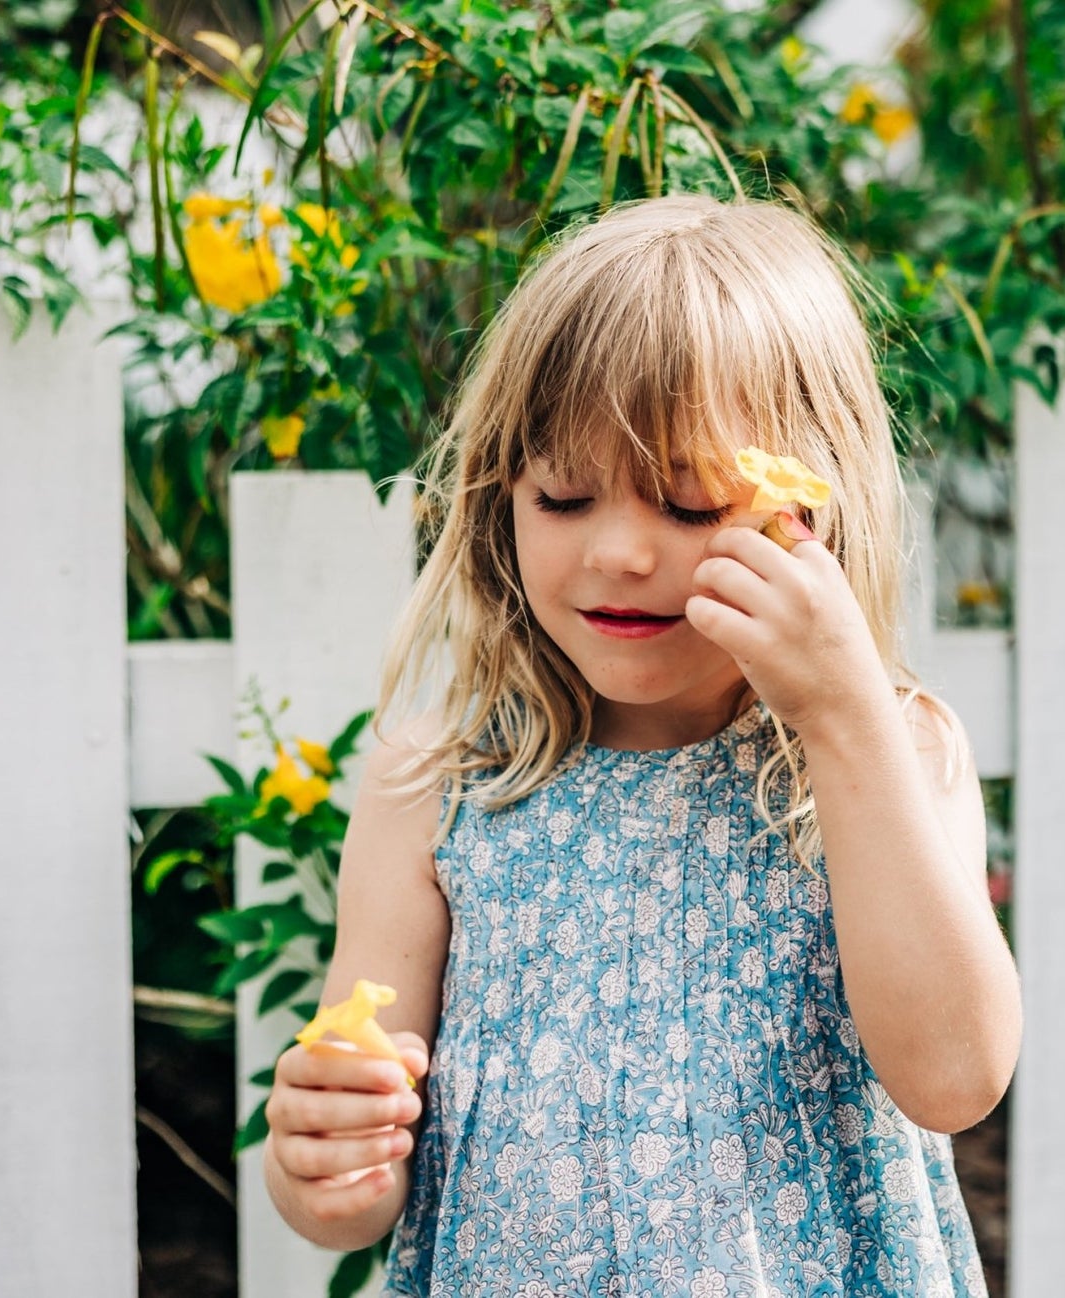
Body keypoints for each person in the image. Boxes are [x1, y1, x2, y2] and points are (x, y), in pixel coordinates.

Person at [261, 191, 1022, 1295]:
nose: (618, 551)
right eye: (562, 495)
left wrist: (843, 718)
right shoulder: (438, 783)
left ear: (817, 509)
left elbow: (955, 1076)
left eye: (688, 499)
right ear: (497, 501)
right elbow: (358, 1173)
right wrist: (322, 1161)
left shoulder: (886, 754)